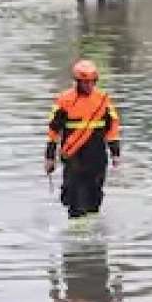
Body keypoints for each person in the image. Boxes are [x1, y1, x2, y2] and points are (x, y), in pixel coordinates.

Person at [44, 59, 120, 218]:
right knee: (75, 198)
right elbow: (53, 130)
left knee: (95, 197)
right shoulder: (64, 100)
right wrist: (49, 157)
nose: (89, 86)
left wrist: (115, 153)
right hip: (73, 157)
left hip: (97, 156)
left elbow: (112, 127)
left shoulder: (103, 100)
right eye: (85, 82)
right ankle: (77, 234)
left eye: (92, 82)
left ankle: (92, 233)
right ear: (77, 82)